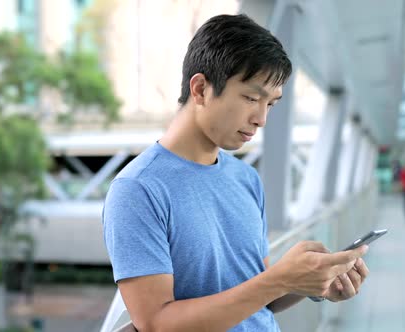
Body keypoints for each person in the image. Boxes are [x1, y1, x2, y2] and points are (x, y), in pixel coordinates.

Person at [102, 14, 369, 331]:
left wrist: (311, 282)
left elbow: (260, 297)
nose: (261, 119)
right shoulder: (137, 190)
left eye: (271, 104)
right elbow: (157, 323)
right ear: (200, 89)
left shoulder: (245, 179)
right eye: (251, 98)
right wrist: (279, 278)